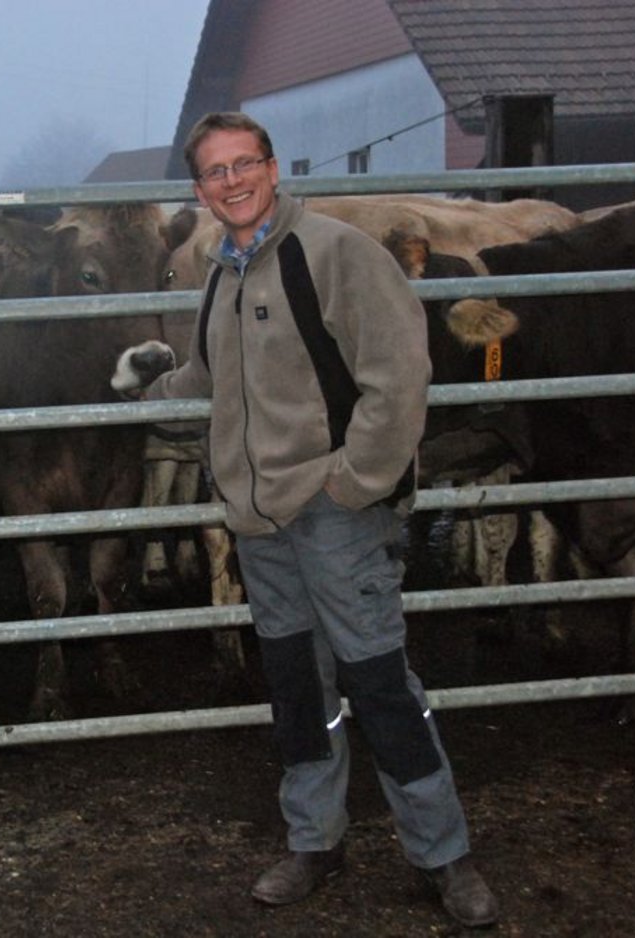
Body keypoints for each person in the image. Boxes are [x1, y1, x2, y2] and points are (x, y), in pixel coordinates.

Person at [132, 112, 499, 928]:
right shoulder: (220, 276)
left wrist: (353, 483)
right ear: (199, 190)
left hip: (336, 515)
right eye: (214, 172)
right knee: (300, 688)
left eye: (243, 164)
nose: (231, 182)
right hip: (259, 523)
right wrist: (136, 402)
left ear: (271, 166)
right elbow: (207, 377)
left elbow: (400, 376)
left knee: (378, 683)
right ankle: (315, 839)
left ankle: (443, 855)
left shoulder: (335, 254)